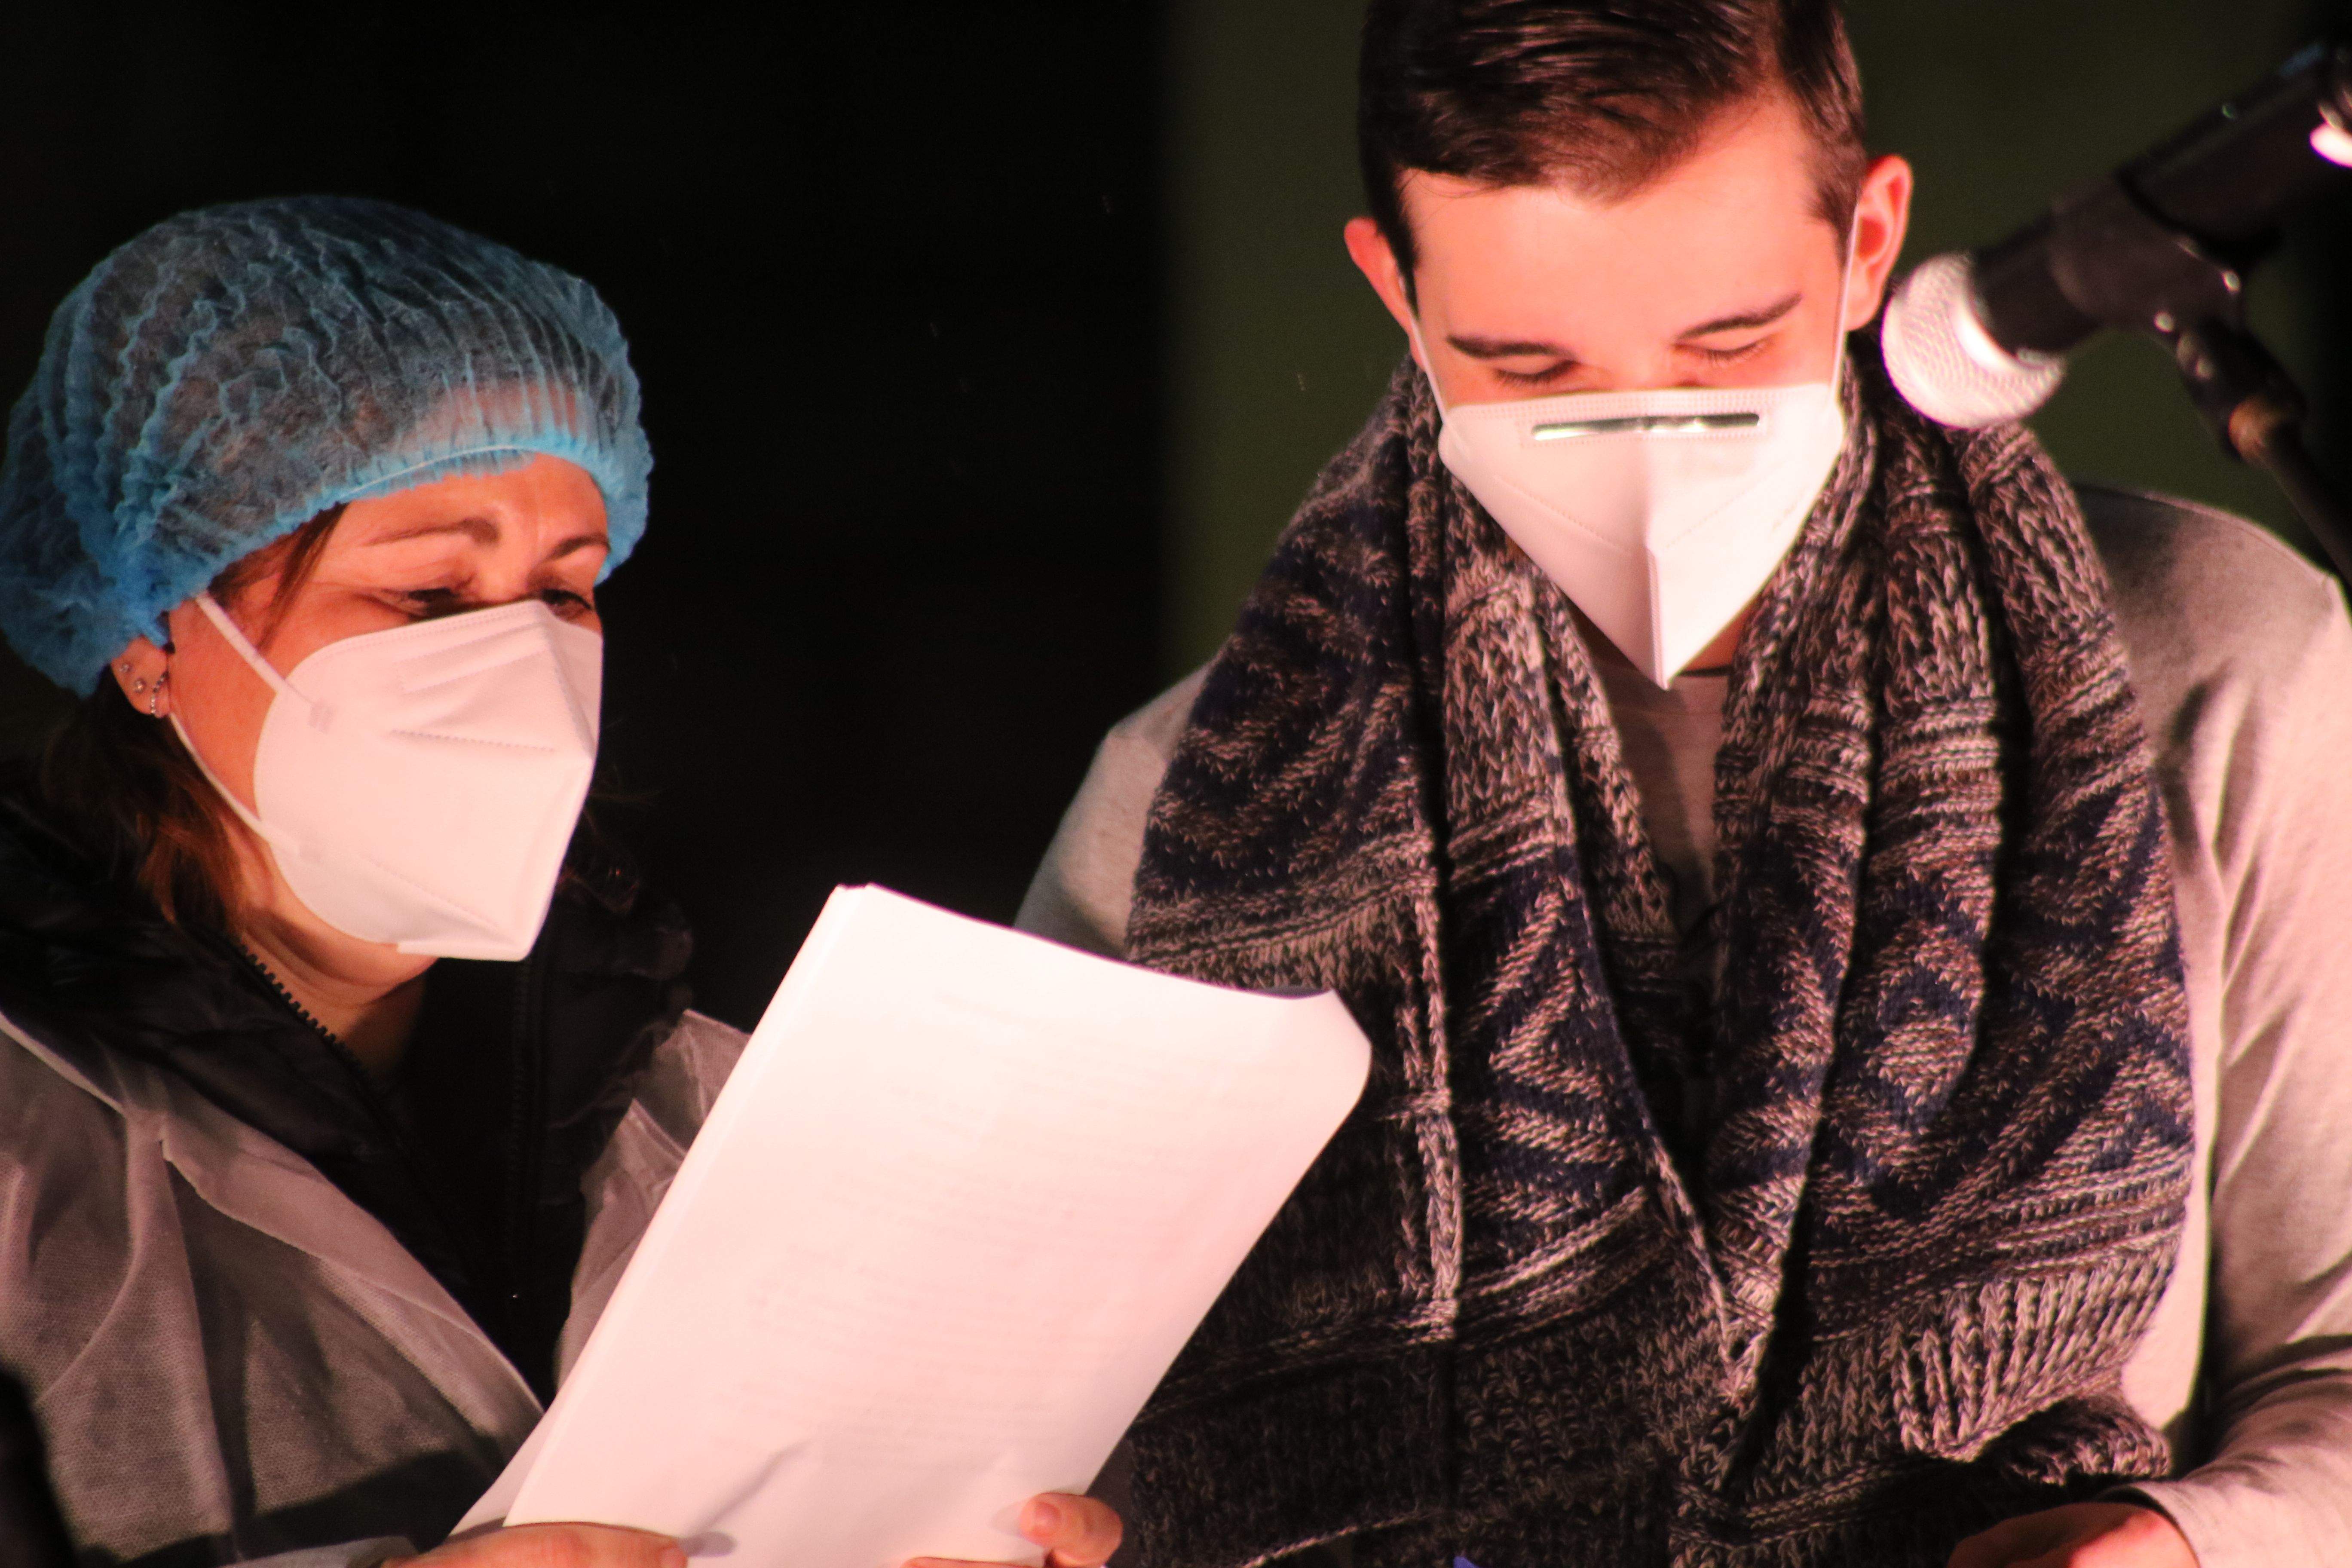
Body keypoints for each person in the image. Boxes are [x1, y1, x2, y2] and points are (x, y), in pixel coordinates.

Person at [1020, 3, 2352, 1565]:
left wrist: (2183, 1544)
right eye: (1532, 369)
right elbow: (1033, 1443)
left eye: (1727, 353)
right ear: (1398, 290)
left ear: (1869, 243)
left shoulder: (2214, 665)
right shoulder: (1193, 809)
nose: (1646, 445)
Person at [0, 197, 1120, 1568]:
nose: (518, 663)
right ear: (155, 639)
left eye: (566, 594)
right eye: (429, 597)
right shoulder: (29, 1151)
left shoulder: (712, 1114)